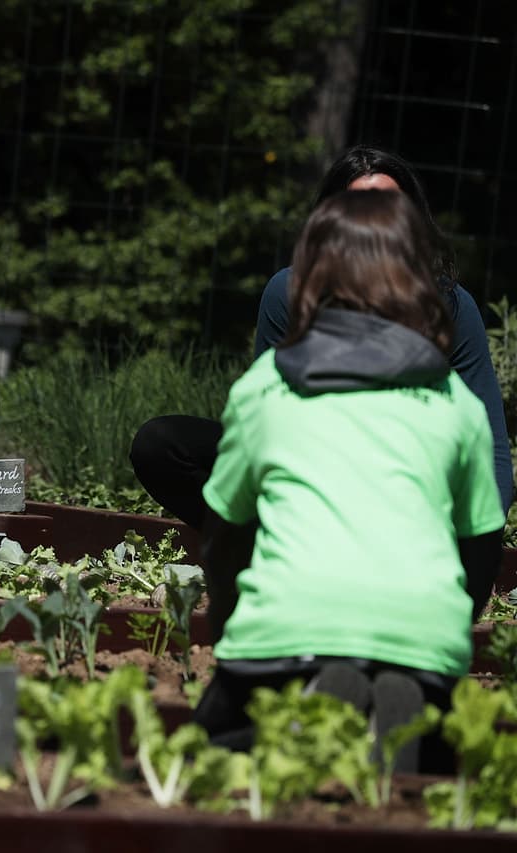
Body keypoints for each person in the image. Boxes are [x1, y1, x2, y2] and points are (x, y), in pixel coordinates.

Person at [193, 190, 505, 773]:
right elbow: (483, 550)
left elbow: (224, 538)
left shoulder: (266, 387)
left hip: (286, 630)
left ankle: (298, 713)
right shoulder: (456, 402)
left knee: (211, 755)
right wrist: (441, 638)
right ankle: (399, 702)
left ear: (308, 274)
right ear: (418, 275)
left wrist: (234, 632)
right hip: (423, 636)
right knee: (443, 767)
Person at [131, 145, 513, 529]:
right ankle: (265, 554)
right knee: (162, 444)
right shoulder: (289, 293)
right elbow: (266, 424)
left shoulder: (449, 305)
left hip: (405, 488)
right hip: (310, 476)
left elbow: (488, 441)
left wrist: (479, 547)